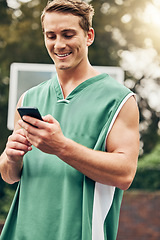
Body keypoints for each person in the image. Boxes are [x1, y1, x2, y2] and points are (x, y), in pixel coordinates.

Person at [0, 0, 139, 239]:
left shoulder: (120, 100)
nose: (59, 44)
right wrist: (11, 157)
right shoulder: (28, 98)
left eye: (68, 34)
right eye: (51, 35)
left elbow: (125, 174)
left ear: (89, 36)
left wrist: (61, 147)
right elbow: (9, 176)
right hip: (23, 232)